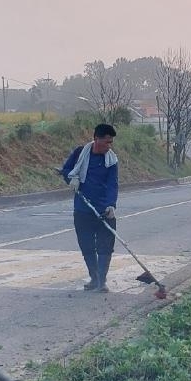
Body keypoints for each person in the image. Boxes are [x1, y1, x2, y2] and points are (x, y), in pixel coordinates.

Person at [60, 122, 118, 291]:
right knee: (86, 246)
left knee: (105, 246)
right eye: (106, 142)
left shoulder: (112, 161)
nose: (109, 146)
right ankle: (94, 278)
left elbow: (112, 184)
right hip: (83, 209)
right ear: (96, 139)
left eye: (111, 142)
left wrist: (111, 205)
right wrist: (72, 179)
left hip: (103, 211)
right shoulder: (80, 153)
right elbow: (67, 170)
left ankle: (102, 281)